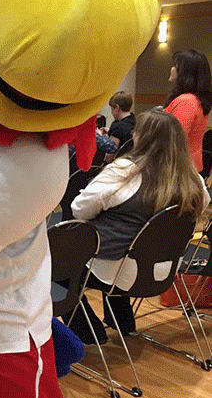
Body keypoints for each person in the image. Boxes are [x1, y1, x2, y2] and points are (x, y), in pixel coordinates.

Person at [66, 109, 208, 343]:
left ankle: (90, 333)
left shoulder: (124, 172)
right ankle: (122, 323)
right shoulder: (191, 178)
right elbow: (204, 205)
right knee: (129, 246)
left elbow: (79, 209)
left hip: (116, 270)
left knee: (56, 267)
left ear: (141, 136)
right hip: (164, 270)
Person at [164, 49, 212, 172]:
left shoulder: (186, 102)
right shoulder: (193, 100)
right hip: (185, 168)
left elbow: (174, 141)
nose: (172, 69)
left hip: (179, 170)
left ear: (184, 73)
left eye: (175, 66)